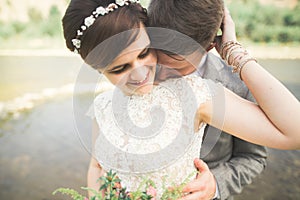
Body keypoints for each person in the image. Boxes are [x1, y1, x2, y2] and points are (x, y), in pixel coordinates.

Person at [61, 0, 300, 199]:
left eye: (145, 53)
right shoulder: (103, 106)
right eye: (119, 68)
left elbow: (293, 133)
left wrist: (233, 51)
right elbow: (97, 167)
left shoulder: (198, 94)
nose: (142, 74)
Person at [147, 0, 267, 199]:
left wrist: (215, 185)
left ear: (210, 46)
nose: (162, 71)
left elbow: (253, 158)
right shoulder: (138, 69)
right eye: (158, 55)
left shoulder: (240, 84)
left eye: (177, 65)